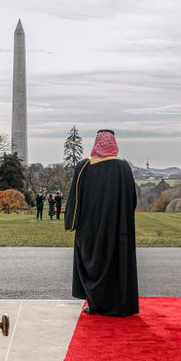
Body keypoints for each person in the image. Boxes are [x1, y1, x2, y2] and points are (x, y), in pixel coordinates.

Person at [64, 129, 139, 317]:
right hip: (118, 227)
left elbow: (75, 198)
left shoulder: (84, 166)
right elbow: (132, 199)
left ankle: (95, 303)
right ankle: (119, 305)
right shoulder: (124, 167)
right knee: (117, 264)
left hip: (90, 228)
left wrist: (71, 222)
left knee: (93, 263)